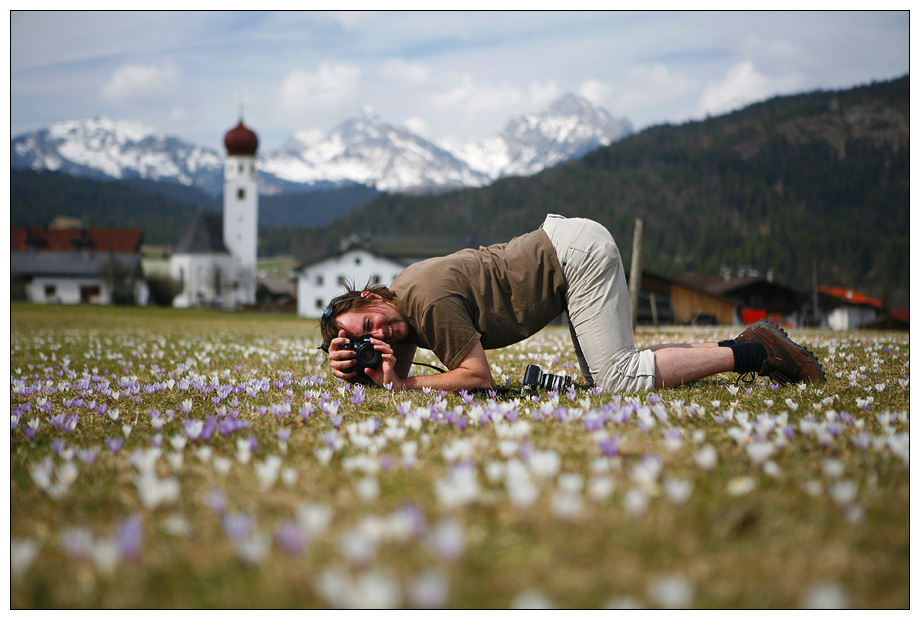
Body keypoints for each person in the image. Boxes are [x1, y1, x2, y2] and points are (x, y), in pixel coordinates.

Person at [321, 214, 825, 393]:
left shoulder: (424, 301)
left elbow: (476, 378)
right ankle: (743, 343)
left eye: (369, 323)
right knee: (618, 370)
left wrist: (402, 384)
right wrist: (359, 373)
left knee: (617, 379)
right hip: (567, 245)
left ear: (370, 297)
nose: (378, 336)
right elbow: (395, 378)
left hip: (574, 256)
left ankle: (758, 353)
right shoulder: (400, 302)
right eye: (365, 339)